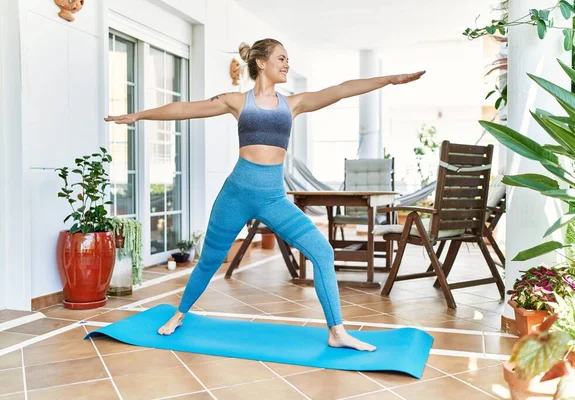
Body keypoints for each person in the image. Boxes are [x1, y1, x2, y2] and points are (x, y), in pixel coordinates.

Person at [105, 38, 425, 352]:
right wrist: (139, 115)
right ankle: (179, 314)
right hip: (236, 194)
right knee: (211, 260)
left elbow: (341, 89)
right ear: (261, 63)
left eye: (287, 59)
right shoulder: (237, 101)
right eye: (281, 58)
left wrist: (389, 79)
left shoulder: (294, 104)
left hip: (273, 197)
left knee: (322, 252)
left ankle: (337, 331)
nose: (287, 64)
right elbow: (186, 109)